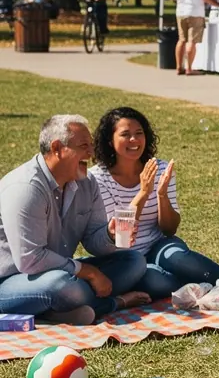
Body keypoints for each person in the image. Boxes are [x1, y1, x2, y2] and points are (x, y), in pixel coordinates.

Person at [89, 106, 219, 299]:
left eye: (139, 133)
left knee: (178, 257)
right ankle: (200, 284)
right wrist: (144, 193)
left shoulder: (159, 168)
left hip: (158, 246)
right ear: (110, 141)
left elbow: (169, 230)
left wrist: (162, 195)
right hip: (126, 259)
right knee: (157, 282)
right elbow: (121, 236)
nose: (134, 140)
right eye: (125, 134)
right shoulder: (97, 178)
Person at [0, 115, 149, 323]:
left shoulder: (87, 182)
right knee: (62, 285)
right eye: (83, 146)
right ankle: (110, 304)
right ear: (57, 148)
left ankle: (57, 310)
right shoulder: (26, 188)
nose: (91, 152)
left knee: (134, 261)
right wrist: (88, 272)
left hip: (59, 271)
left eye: (91, 145)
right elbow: (30, 260)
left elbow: (93, 241)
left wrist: (110, 235)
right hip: (9, 281)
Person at [172, 0, 217, 76]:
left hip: (181, 12)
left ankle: (178, 67)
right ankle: (189, 68)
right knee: (191, 41)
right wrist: (217, 4)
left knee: (181, 40)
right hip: (195, 13)